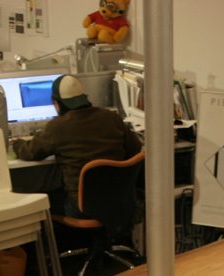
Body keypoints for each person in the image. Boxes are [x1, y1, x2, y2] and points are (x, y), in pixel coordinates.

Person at [10, 74, 142, 219]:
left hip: (81, 208)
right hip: (119, 202)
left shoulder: (58, 127)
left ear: (56, 103)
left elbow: (30, 152)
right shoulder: (111, 117)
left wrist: (16, 143)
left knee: (38, 199)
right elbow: (135, 148)